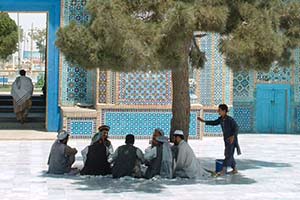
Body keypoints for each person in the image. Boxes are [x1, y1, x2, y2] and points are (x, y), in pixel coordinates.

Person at [198, 104, 241, 176]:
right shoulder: (221, 119)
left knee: (228, 154)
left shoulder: (230, 119)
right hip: (226, 140)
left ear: (224, 111)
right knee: (229, 154)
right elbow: (214, 122)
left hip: (232, 140)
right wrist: (204, 121)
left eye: (219, 110)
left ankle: (223, 170)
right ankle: (235, 169)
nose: (218, 111)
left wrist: (233, 136)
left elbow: (236, 128)